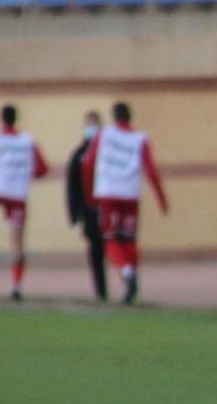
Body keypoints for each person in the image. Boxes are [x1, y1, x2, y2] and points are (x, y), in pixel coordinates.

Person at [82, 101, 167, 304]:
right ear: (130, 117)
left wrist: (90, 195)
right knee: (128, 239)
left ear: (114, 117)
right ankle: (132, 278)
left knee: (110, 237)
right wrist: (161, 198)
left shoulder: (105, 134)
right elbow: (151, 170)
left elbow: (88, 162)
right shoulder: (140, 138)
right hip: (130, 194)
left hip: (108, 193)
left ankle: (127, 272)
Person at [0, 104, 49, 301]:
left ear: (1, 119)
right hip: (18, 195)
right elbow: (42, 169)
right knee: (18, 245)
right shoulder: (28, 140)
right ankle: (16, 286)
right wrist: (23, 174)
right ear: (16, 118)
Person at [66, 111, 107, 302]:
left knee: (113, 246)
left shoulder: (108, 152)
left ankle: (127, 283)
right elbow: (72, 185)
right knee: (95, 250)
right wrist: (74, 212)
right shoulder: (79, 154)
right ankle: (101, 290)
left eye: (95, 124)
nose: (92, 128)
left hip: (107, 207)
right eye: (89, 124)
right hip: (89, 209)